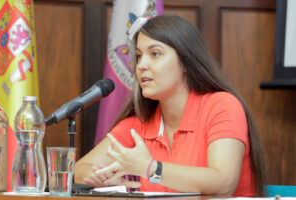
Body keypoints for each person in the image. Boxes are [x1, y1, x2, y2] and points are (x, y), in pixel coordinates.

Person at [74, 14, 266, 197]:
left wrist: (150, 168)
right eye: (139, 56)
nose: (141, 65)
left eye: (155, 53)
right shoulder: (139, 123)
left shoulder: (222, 106)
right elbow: (80, 169)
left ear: (186, 62)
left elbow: (223, 183)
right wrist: (101, 179)